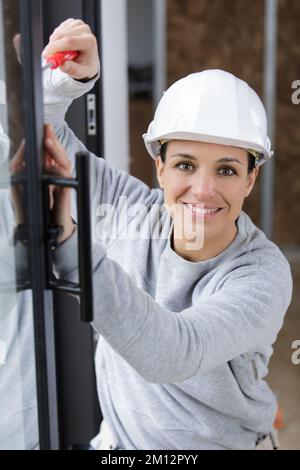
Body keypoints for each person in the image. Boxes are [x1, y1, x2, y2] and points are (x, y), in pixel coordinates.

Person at [42, 19, 293, 450]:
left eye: (228, 170)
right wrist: (65, 82)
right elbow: (38, 135)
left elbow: (175, 352)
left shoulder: (262, 275)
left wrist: (69, 247)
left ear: (251, 180)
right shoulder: (129, 213)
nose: (203, 190)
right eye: (185, 164)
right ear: (159, 166)